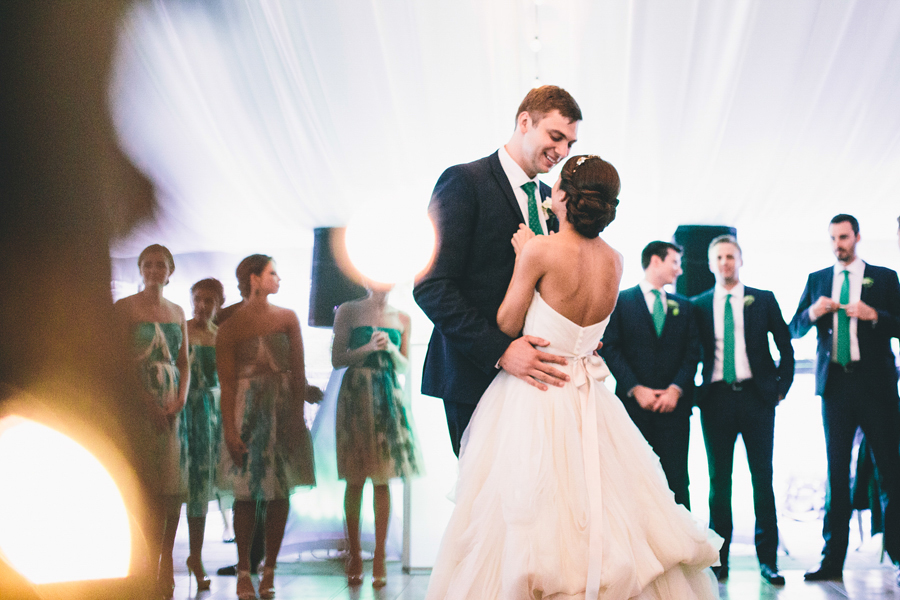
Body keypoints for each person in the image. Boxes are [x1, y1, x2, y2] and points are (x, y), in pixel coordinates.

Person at [426, 155, 721, 600]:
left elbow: (508, 323)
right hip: (590, 397)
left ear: (561, 196)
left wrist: (525, 255)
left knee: (530, 512)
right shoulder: (617, 261)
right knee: (604, 502)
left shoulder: (541, 251)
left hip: (537, 392)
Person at [414, 85, 581, 456]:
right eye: (556, 137)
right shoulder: (463, 182)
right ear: (525, 121)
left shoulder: (549, 201)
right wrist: (501, 350)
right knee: (488, 505)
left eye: (570, 143)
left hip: (538, 382)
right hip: (475, 376)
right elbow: (431, 286)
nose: (563, 152)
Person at [789, 214, 900, 582]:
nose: (839, 244)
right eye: (834, 238)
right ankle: (831, 560)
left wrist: (874, 315)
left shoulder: (884, 278)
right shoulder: (818, 280)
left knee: (890, 472)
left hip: (877, 387)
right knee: (837, 474)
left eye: (845, 237)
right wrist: (811, 311)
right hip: (835, 388)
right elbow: (794, 328)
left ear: (857, 237)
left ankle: (899, 557)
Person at [691, 235, 794, 586]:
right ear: (710, 263)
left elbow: (786, 347)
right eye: (718, 257)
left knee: (762, 479)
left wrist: (780, 390)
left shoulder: (763, 300)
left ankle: (768, 561)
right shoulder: (699, 305)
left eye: (730, 256)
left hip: (757, 399)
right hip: (716, 400)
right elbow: (691, 353)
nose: (725, 263)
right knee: (719, 483)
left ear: (740, 260)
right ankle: (720, 560)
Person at [217, 254, 316, 600]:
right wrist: (229, 430)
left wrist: (295, 415)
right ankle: (244, 570)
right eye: (273, 273)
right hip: (247, 411)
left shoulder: (288, 318)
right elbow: (227, 384)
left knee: (280, 491)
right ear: (255, 278)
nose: (279, 278)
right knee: (245, 494)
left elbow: (299, 372)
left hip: (282, 409)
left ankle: (270, 568)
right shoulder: (228, 327)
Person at [331, 284, 421, 588]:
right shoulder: (349, 310)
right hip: (355, 394)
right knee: (354, 478)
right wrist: (368, 348)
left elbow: (406, 366)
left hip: (387, 395)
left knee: (383, 478)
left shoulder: (403, 318)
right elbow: (337, 359)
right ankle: (354, 553)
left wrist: (391, 348)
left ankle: (380, 556)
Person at [114, 244, 189, 599]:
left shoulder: (177, 311)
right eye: (148, 264)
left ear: (170, 271)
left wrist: (180, 398)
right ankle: (138, 565)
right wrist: (146, 403)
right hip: (137, 400)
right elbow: (117, 362)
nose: (154, 270)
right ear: (140, 269)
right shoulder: (125, 308)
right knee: (140, 483)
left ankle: (165, 562)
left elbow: (185, 361)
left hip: (173, 400)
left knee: (171, 488)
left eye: (161, 265)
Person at [601, 241, 700, 509]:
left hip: (675, 409)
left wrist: (676, 389)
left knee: (677, 478)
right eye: (675, 262)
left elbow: (693, 352)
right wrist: (635, 388)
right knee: (632, 476)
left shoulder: (685, 306)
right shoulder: (620, 301)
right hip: (633, 407)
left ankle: (682, 545)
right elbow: (610, 347)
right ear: (656, 261)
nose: (679, 270)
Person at [179, 277, 226, 592]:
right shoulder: (180, 328)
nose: (202, 305)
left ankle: (195, 557)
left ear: (218, 303)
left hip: (209, 416)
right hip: (181, 409)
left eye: (208, 300)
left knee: (200, 489)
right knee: (172, 486)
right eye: (197, 298)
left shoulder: (221, 337)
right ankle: (157, 560)